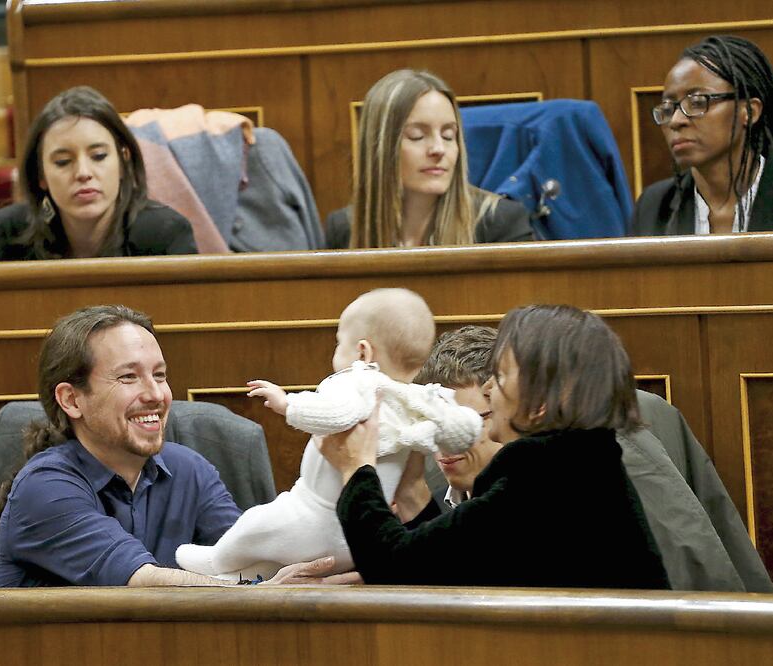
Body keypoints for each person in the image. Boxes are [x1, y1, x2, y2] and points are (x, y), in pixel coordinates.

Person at [0, 304, 351, 587]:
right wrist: (262, 591)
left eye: (160, 375)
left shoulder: (190, 469)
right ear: (71, 400)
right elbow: (142, 580)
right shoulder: (43, 487)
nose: (156, 395)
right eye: (129, 377)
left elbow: (249, 560)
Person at [318, 305, 671, 589]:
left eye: (500, 376)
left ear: (541, 402)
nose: (488, 389)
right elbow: (456, 568)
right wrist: (412, 491)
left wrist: (355, 469)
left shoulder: (546, 481)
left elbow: (395, 565)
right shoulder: (579, 462)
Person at [409, 325, 773, 592]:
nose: (447, 444)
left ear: (517, 408)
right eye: (434, 422)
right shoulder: (424, 469)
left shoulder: (603, 466)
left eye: (472, 421)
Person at [175, 288, 481, 580]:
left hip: (314, 512)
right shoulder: (419, 400)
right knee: (278, 558)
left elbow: (336, 413)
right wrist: (467, 426)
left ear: (363, 352)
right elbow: (459, 429)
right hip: (360, 535)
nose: (335, 353)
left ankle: (218, 559)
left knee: (257, 523)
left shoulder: (359, 382)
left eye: (338, 343)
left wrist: (288, 404)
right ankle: (236, 576)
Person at [632, 35, 773, 236]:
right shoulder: (653, 207)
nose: (676, 120)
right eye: (669, 108)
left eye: (698, 102)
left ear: (749, 111)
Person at [324, 69, 534, 249]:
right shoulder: (344, 228)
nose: (438, 149)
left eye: (448, 136)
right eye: (417, 136)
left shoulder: (501, 222)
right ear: (381, 147)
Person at [0, 86, 198, 261]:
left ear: (123, 162)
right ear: (41, 176)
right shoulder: (9, 233)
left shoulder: (165, 233)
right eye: (63, 162)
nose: (83, 173)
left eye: (99, 156)